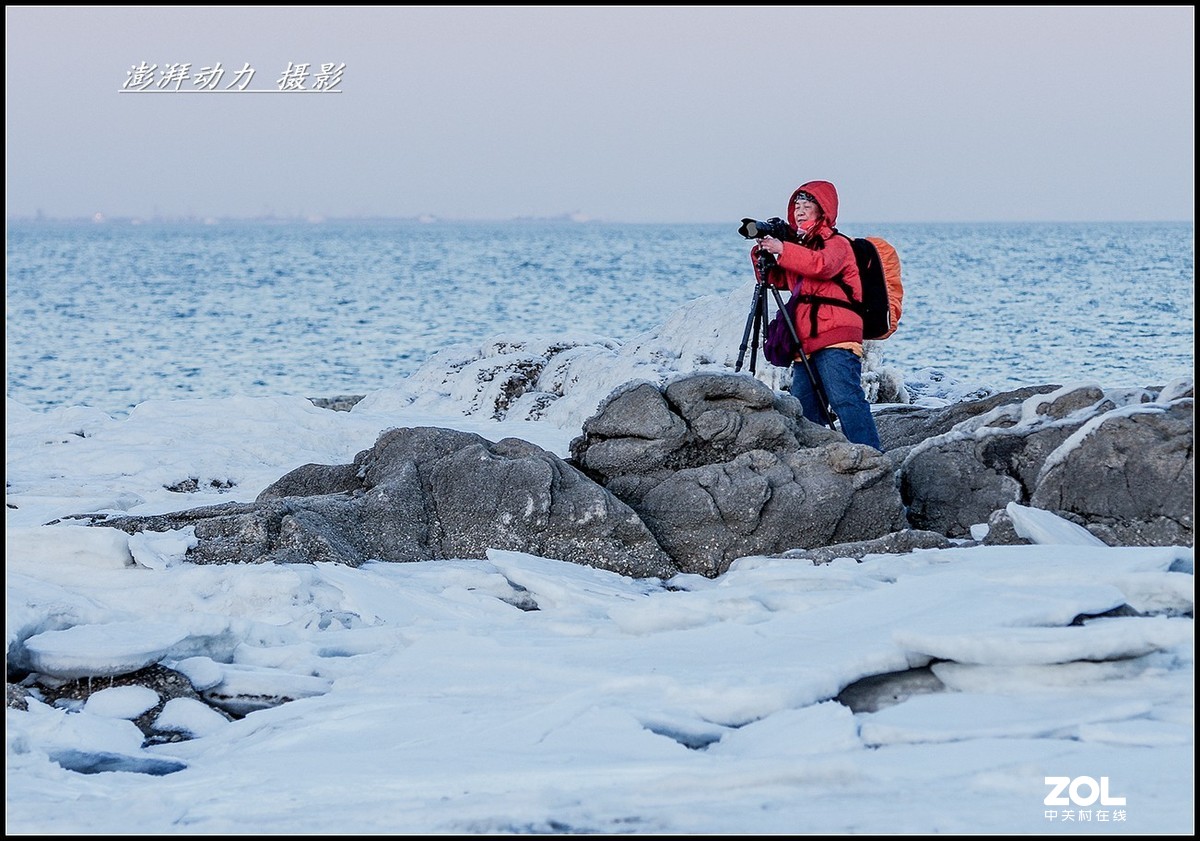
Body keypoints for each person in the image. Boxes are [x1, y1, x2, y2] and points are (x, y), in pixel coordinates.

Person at [753, 180, 883, 451]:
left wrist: (783, 249)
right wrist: (761, 253)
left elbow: (821, 266)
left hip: (836, 335)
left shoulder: (837, 244)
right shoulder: (801, 248)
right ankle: (810, 460)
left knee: (845, 398)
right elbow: (778, 280)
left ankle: (871, 455)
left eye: (806, 206)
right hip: (806, 340)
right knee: (803, 407)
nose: (799, 211)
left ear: (822, 211)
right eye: (796, 207)